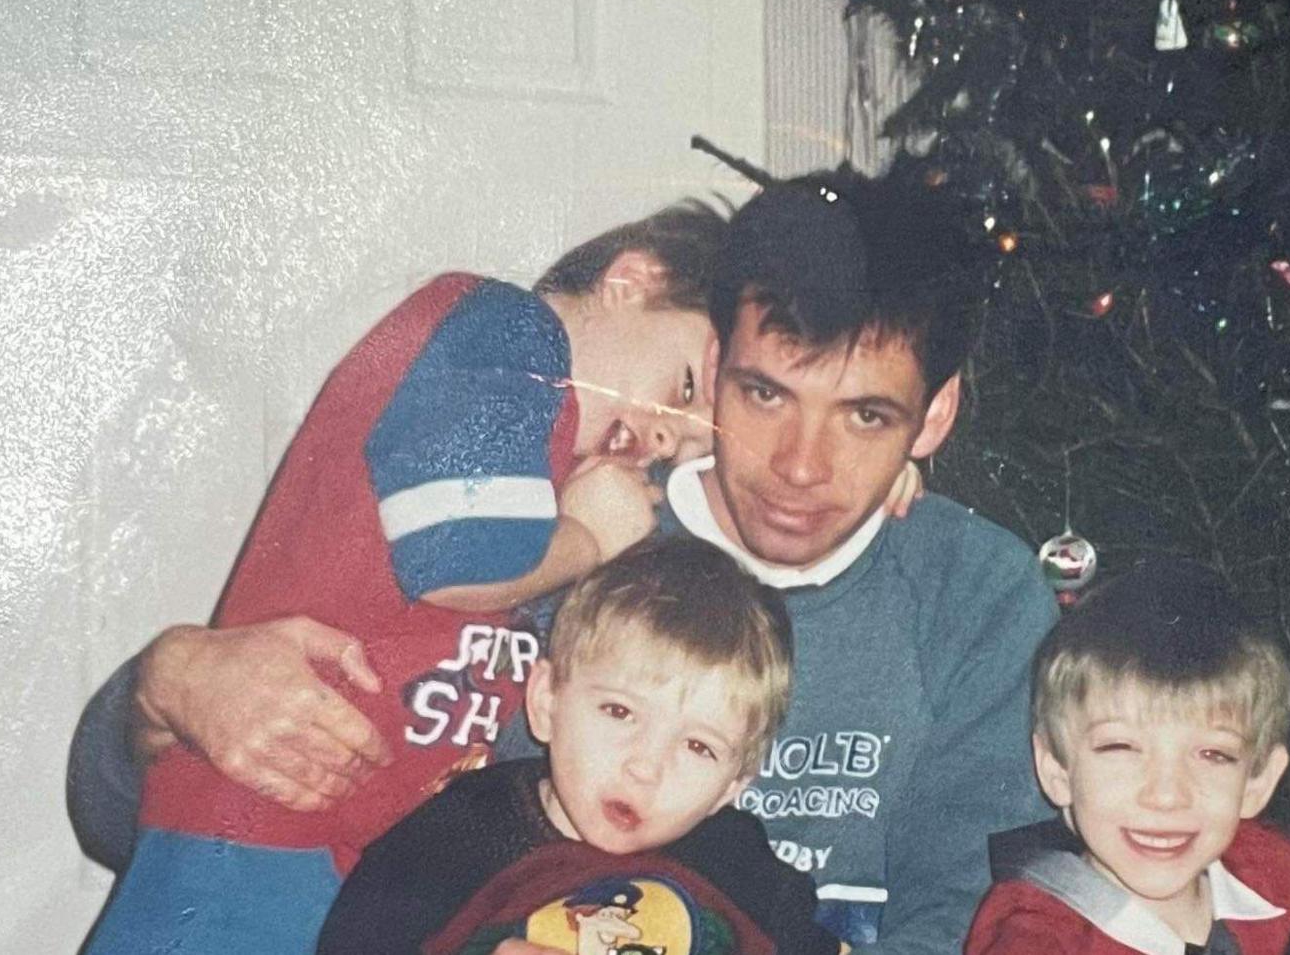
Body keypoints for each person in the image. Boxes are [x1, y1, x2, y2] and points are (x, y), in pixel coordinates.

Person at [71, 163, 1058, 955]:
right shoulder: (565, 538)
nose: (802, 467)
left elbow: (977, 906)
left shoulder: (971, 591)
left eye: (865, 417)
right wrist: (159, 691)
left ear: (934, 417)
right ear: (711, 370)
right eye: (764, 395)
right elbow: (151, 814)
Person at [83, 204, 730, 954]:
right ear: (631, 281)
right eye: (683, 390)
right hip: (256, 817)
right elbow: (458, 557)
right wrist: (586, 537)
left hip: (350, 860)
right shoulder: (509, 335)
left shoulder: (559, 469)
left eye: (681, 446)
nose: (661, 437)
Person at [318, 536, 842, 955]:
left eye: (699, 747)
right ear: (546, 701)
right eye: (619, 712)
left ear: (733, 784)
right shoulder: (456, 838)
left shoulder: (739, 866)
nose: (646, 766)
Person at [963, 559, 1290, 955]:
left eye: (1212, 754)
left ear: (1257, 781)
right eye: (1122, 748)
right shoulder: (1037, 936)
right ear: (1057, 770)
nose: (1167, 795)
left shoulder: (1270, 871)